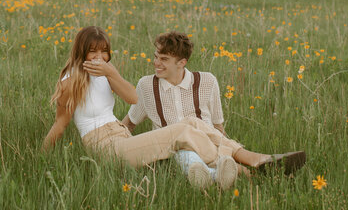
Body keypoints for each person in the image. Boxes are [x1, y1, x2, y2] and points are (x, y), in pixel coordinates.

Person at [42, 26, 244, 190]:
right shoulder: (69, 82)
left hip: (121, 136)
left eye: (104, 51)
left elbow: (132, 97)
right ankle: (233, 163)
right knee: (181, 130)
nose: (99, 57)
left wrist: (111, 73)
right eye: (92, 51)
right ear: (81, 51)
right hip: (103, 147)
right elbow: (60, 124)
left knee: (191, 123)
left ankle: (212, 175)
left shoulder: (105, 73)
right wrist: (41, 158)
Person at [122, 31, 306, 189]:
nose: (156, 63)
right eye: (156, 56)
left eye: (164, 59)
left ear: (182, 62)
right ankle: (248, 169)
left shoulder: (207, 81)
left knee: (196, 127)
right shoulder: (146, 85)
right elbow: (129, 123)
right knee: (185, 138)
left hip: (210, 142)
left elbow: (218, 127)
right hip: (172, 150)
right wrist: (119, 149)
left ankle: (214, 176)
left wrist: (221, 146)